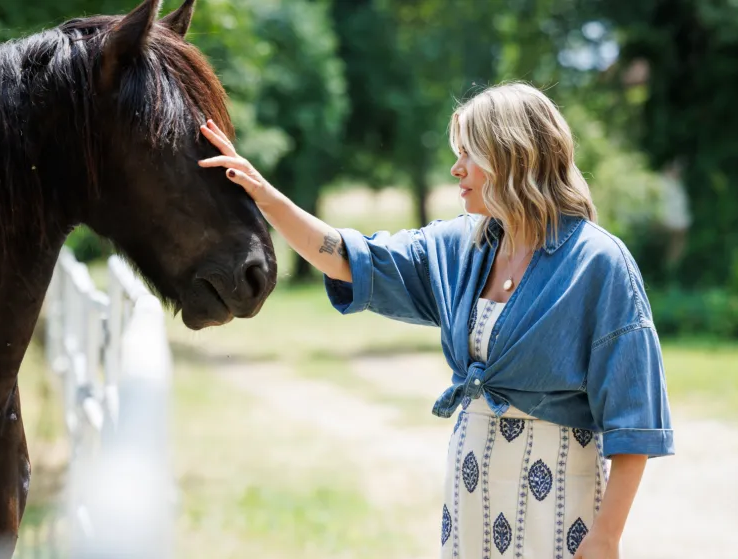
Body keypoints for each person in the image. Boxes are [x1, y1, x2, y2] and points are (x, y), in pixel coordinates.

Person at [198, 81, 674, 559]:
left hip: (556, 502)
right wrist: (263, 195)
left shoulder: (598, 262)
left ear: (513, 156)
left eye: (470, 153)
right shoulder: (457, 249)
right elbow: (347, 257)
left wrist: (606, 536)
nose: (456, 168)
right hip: (472, 495)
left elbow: (631, 418)